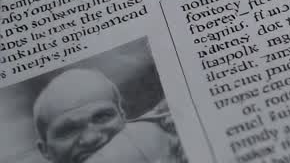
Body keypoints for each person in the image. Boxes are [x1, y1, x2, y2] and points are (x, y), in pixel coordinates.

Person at [33, 69, 183, 163]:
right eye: (68, 130)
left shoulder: (174, 141)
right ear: (45, 150)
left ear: (123, 117)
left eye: (102, 117)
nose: (91, 138)